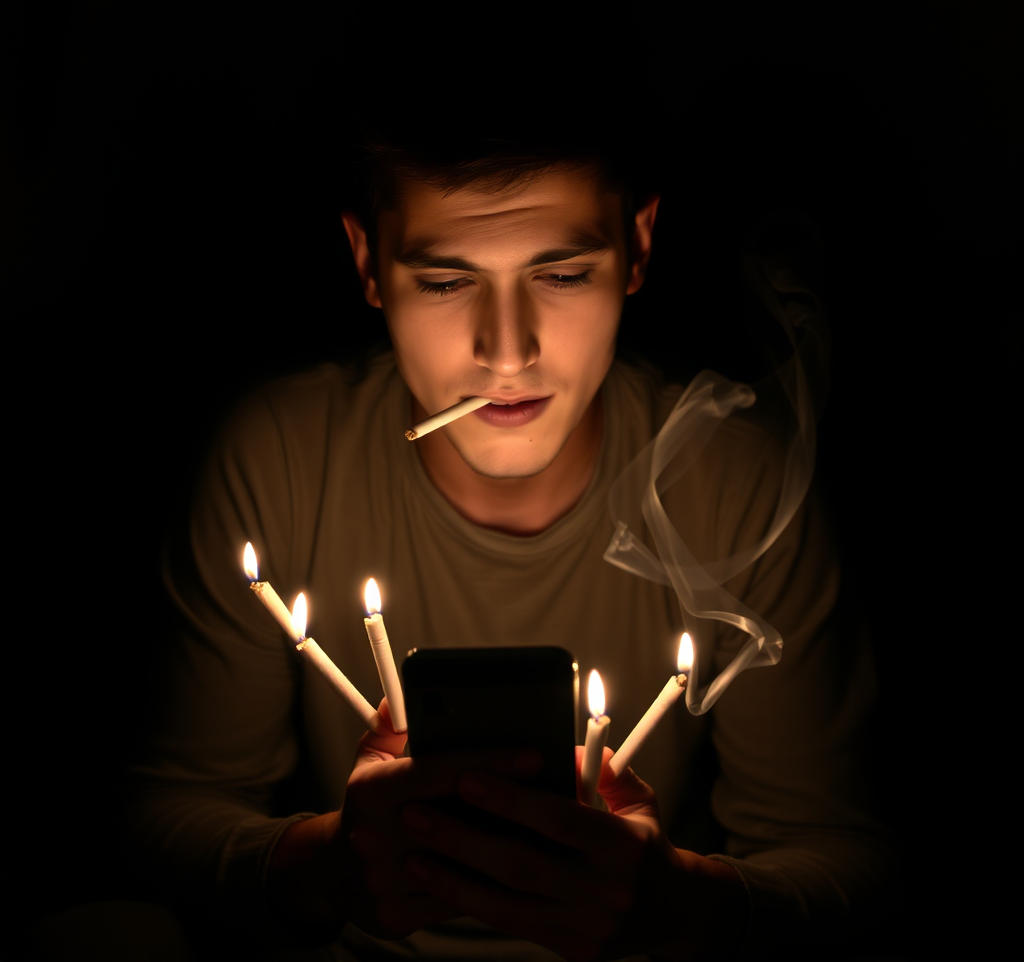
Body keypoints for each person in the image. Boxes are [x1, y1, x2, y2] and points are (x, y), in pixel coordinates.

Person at [122, 104, 897, 960]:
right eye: (446, 282)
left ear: (637, 247)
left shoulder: (738, 482)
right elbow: (165, 813)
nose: (505, 351)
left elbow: (849, 858)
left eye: (561, 275)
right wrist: (324, 868)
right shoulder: (276, 454)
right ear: (367, 260)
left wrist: (678, 904)